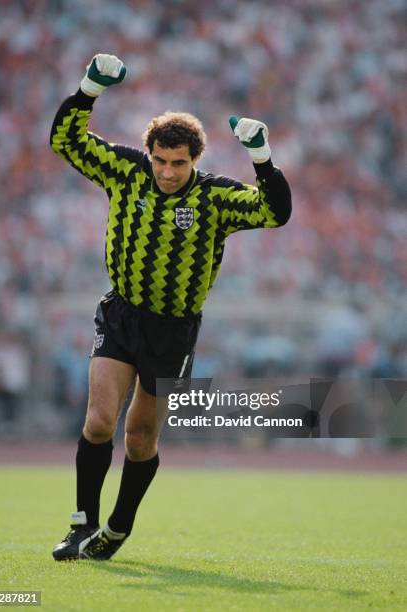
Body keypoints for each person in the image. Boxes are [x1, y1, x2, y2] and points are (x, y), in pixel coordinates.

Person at [50, 54, 292, 561]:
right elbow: (65, 142)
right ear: (150, 153)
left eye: (178, 163)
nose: (166, 171)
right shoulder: (126, 170)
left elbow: (276, 212)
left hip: (173, 331)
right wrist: (89, 89)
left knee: (139, 437)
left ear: (194, 160)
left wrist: (262, 157)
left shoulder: (216, 197)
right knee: (98, 421)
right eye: (160, 160)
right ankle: (80, 525)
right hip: (121, 315)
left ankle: (117, 529)